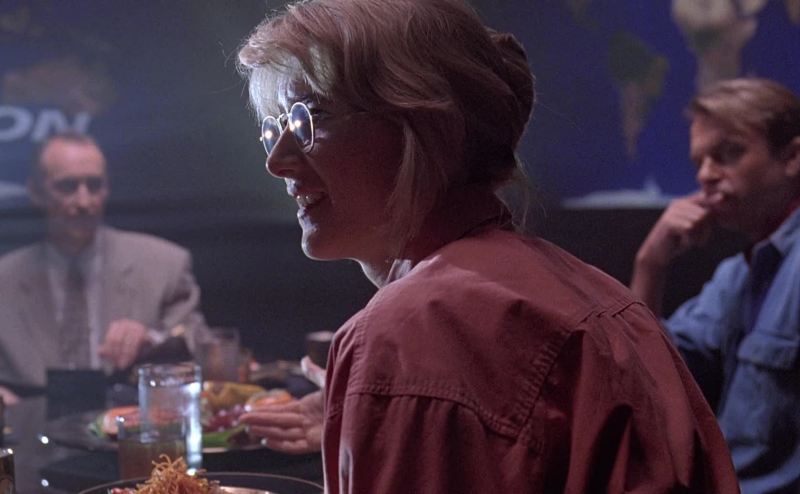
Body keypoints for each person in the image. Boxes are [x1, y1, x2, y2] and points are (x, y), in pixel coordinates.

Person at [237, 0, 739, 491]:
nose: (276, 161)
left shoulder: (411, 334)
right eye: (274, 128)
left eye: (308, 117)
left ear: (425, 125)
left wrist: (389, 392)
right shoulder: (599, 294)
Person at [630, 78, 800, 494]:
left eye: (728, 154)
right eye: (700, 161)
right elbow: (647, 373)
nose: (706, 175)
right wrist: (650, 264)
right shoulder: (738, 274)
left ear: (793, 157)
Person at [0, 131, 207, 402]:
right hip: (29, 422)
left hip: (130, 419)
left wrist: (153, 338)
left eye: (94, 185)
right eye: (67, 187)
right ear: (36, 192)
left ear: (107, 188)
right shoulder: (5, 279)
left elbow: (202, 345)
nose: (84, 201)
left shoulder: (163, 264)